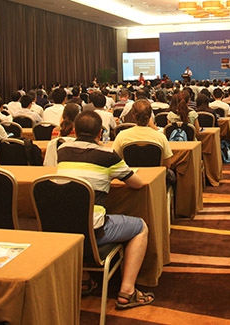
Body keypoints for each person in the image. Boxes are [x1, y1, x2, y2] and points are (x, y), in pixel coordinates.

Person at [57, 111, 155, 309]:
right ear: (100, 133)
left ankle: (84, 280)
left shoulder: (62, 150)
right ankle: (127, 291)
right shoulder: (107, 155)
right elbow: (137, 184)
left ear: (74, 131)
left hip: (61, 228)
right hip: (94, 231)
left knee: (75, 214)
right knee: (140, 227)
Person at [112, 99, 173, 163]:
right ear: (150, 116)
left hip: (129, 169)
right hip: (154, 169)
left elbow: (114, 158)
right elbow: (167, 163)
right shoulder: (161, 137)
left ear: (133, 115)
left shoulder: (122, 136)